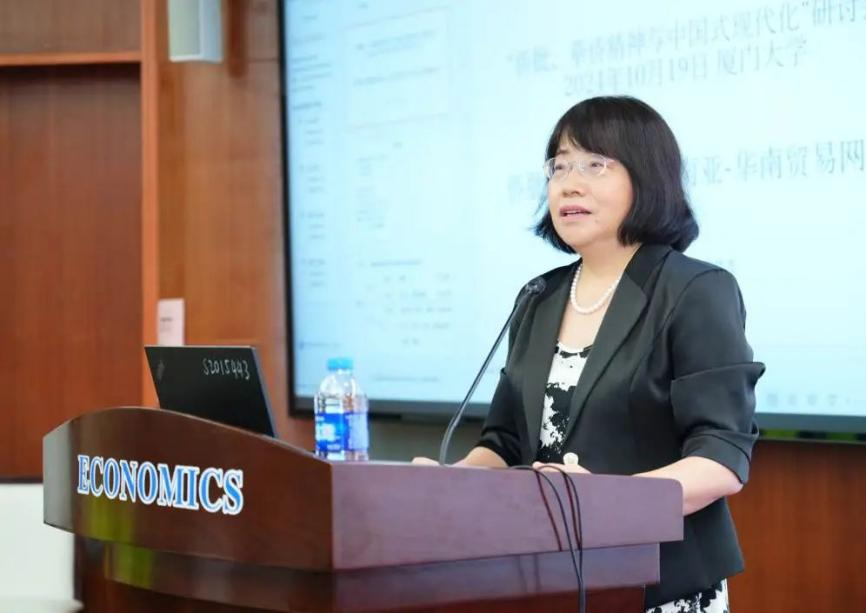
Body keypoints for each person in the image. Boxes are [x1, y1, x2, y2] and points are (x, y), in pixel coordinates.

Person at [417, 96, 764, 611]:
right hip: (549, 577)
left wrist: (607, 505)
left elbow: (720, 457)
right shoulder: (539, 296)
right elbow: (505, 443)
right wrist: (449, 482)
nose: (569, 184)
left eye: (594, 165)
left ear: (646, 177)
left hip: (661, 580)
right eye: (559, 166)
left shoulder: (695, 290)